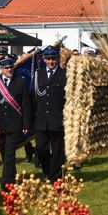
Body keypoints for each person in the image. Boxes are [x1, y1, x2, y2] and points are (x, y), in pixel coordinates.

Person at [0, 58, 32, 190]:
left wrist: (26, 124)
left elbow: (26, 104)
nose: (9, 70)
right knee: (5, 157)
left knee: (10, 155)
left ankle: (5, 184)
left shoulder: (20, 81)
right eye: (6, 68)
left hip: (14, 124)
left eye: (11, 67)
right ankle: (13, 178)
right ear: (1, 69)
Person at [33, 47, 66, 182]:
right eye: (48, 59)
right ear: (44, 59)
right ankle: (47, 171)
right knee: (41, 148)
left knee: (58, 151)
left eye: (53, 58)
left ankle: (55, 177)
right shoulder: (37, 74)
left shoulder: (65, 74)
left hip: (58, 118)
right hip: (41, 118)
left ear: (58, 58)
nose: (51, 62)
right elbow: (32, 97)